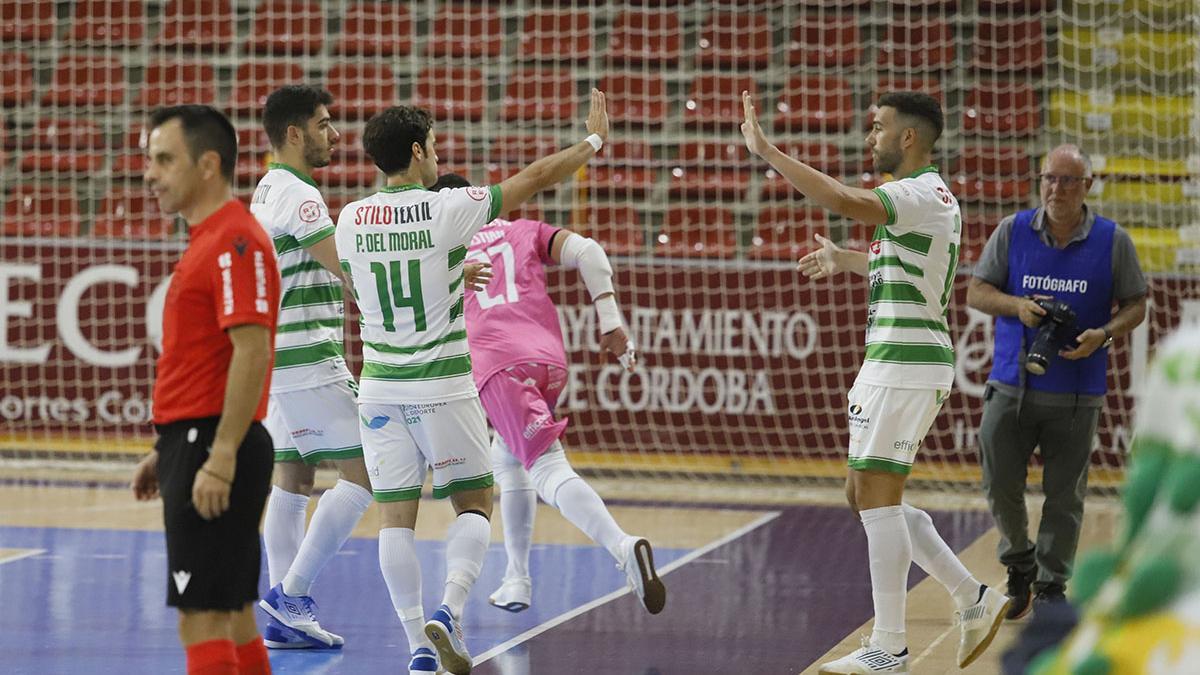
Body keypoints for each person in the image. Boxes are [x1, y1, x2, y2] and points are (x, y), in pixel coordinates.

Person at [333, 90, 611, 675]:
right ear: (416, 151)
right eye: (432, 146)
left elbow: (380, 287)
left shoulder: (350, 218)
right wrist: (592, 141)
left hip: (380, 386)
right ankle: (451, 608)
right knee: (475, 505)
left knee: (393, 518)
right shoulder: (448, 208)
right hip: (442, 384)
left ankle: (415, 646)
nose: (438, 155)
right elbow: (533, 178)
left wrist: (451, 274)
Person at [742, 90, 1009, 674]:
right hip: (896, 361)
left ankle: (890, 645)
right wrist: (845, 260)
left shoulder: (914, 193)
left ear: (907, 137)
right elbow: (905, 265)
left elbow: (842, 198)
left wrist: (768, 151)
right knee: (862, 494)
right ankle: (972, 596)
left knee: (878, 498)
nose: (871, 137)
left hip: (906, 362)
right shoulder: (926, 200)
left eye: (878, 127)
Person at [430, 172, 666, 616]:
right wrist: (611, 321)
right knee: (507, 455)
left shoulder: (438, 250)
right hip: (549, 358)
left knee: (546, 467)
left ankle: (622, 547)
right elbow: (589, 251)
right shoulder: (522, 229)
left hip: (499, 362)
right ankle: (517, 579)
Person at [966, 144, 1147, 619]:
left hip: (1077, 392)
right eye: (1049, 178)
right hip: (1011, 384)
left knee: (1065, 497)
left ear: (1087, 186)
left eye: (1068, 181)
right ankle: (1019, 561)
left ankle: (1051, 584)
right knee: (999, 481)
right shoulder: (1013, 230)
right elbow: (977, 291)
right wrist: (1017, 307)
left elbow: (1136, 304)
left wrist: (1103, 335)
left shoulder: (1113, 240)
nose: (1056, 189)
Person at [130, 105, 279, 675]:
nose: (150, 173)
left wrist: (215, 457)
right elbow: (210, 363)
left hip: (214, 443)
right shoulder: (212, 239)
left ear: (209, 164)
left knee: (202, 616)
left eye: (164, 159)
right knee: (234, 612)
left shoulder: (234, 241)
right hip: (196, 437)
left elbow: (253, 351)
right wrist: (165, 450)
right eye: (149, 159)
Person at [248, 85, 374, 650]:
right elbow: (346, 264)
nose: (336, 134)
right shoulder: (300, 195)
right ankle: (289, 595)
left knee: (293, 478)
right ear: (295, 134)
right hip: (308, 360)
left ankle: (281, 617)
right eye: (325, 124)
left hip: (279, 357)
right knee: (369, 472)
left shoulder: (267, 186)